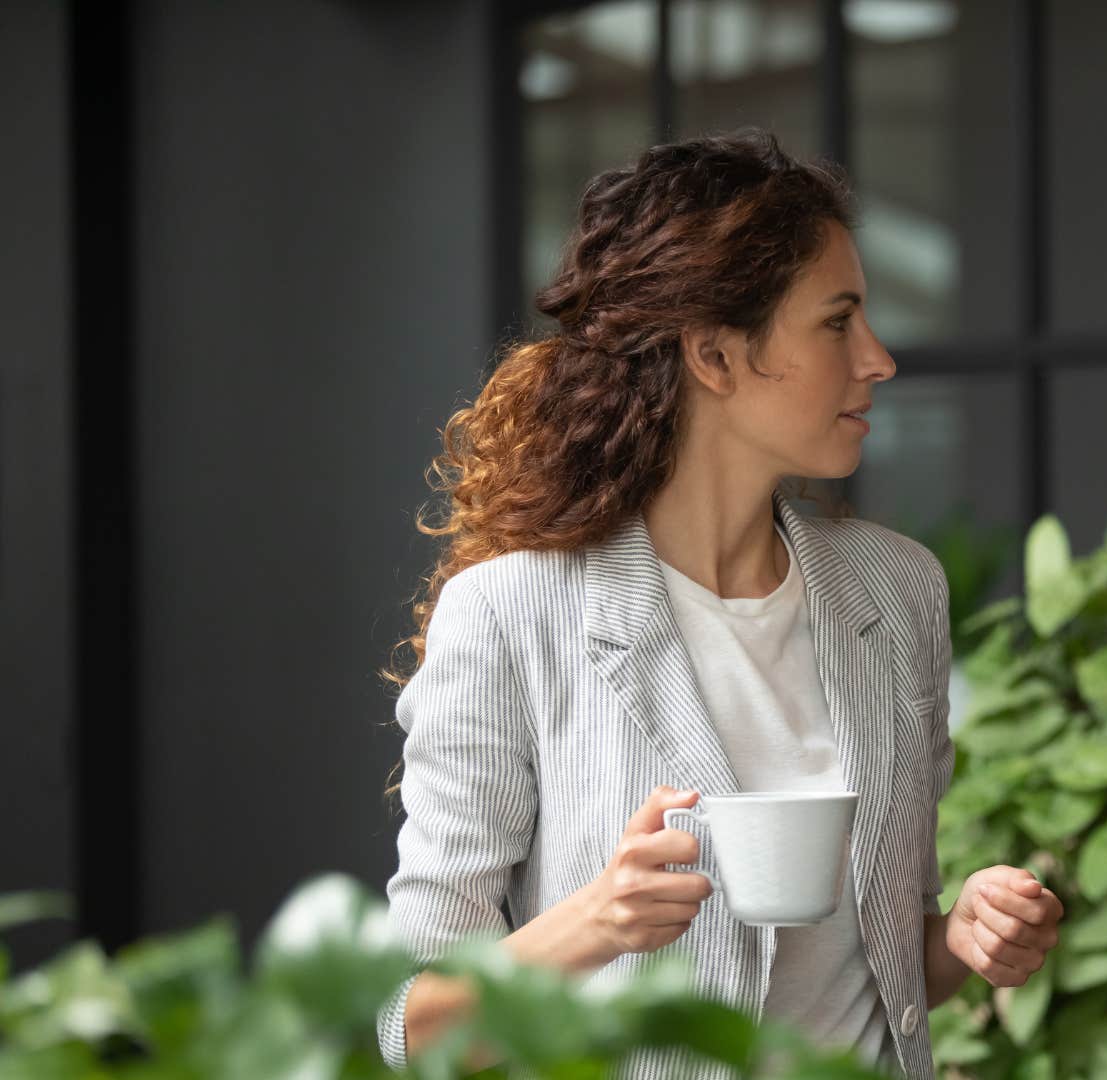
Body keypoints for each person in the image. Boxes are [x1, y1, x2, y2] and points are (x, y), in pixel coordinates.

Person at [378, 130, 1063, 1080]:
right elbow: (411, 1025)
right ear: (714, 354)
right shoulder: (510, 614)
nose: (877, 359)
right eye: (838, 322)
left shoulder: (898, 590)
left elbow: (880, 962)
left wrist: (964, 936)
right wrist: (596, 922)